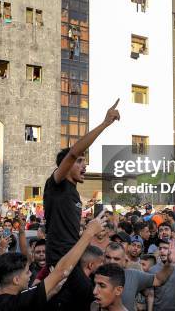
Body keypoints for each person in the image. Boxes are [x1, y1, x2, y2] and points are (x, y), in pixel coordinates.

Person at [0, 211, 107, 311]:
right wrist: (88, 233)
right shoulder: (17, 303)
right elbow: (61, 270)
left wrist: (52, 291)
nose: (30, 275)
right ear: (16, 280)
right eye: (26, 272)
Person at [44, 99, 120, 266]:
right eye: (79, 161)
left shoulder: (74, 193)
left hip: (72, 257)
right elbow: (72, 153)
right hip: (59, 262)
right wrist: (105, 123)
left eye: (84, 161)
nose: (84, 165)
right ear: (67, 165)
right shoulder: (56, 184)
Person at [103, 240, 175, 311]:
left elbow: (158, 280)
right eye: (108, 257)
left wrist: (170, 264)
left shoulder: (133, 275)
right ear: (103, 257)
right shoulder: (96, 276)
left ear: (124, 260)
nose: (111, 262)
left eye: (116, 259)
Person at [147, 239, 175, 311]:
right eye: (160, 248)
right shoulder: (152, 270)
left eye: (166, 248)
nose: (162, 251)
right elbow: (150, 296)